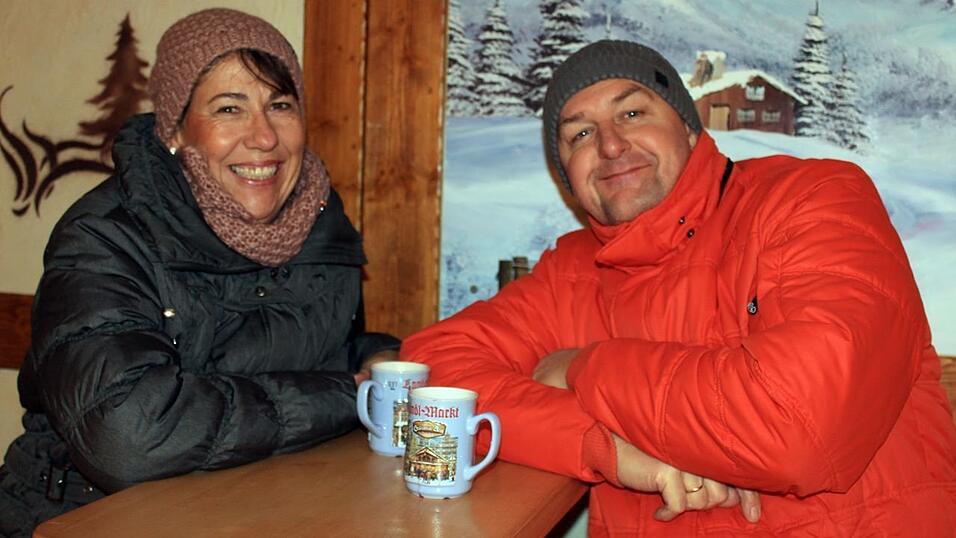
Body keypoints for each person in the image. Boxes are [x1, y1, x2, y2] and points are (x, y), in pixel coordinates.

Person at [402, 40, 956, 536]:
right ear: (566, 176)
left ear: (690, 128)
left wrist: (580, 369)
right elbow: (434, 374)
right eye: (580, 134)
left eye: (632, 113)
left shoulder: (811, 200)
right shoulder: (571, 272)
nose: (610, 145)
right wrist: (605, 449)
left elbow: (801, 425)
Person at [0, 8, 399, 536]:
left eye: (280, 105)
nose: (263, 137)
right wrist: (349, 394)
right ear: (175, 130)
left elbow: (299, 350)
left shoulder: (318, 218)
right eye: (229, 108)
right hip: (79, 516)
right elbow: (130, 435)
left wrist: (376, 357)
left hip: (245, 507)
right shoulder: (104, 237)